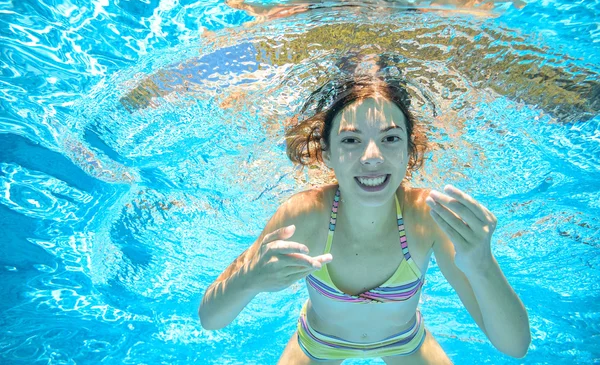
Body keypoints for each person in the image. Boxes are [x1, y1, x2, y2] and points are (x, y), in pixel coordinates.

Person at [199, 53, 531, 364]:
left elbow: (514, 347)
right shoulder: (306, 214)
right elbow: (210, 319)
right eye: (351, 140)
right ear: (327, 153)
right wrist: (249, 279)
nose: (372, 156)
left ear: (409, 151)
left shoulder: (427, 217)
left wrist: (482, 263)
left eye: (390, 139)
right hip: (319, 342)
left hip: (405, 340)